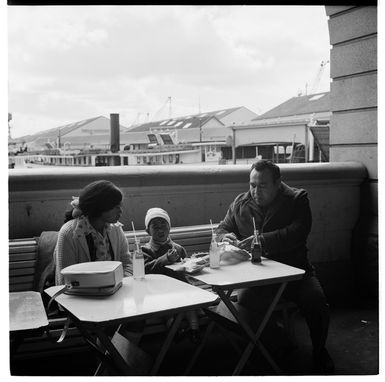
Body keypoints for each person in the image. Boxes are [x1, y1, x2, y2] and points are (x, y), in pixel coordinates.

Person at [215, 159, 334, 374]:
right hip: (257, 277)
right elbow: (222, 229)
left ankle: (319, 350)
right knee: (244, 304)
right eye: (252, 185)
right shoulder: (240, 203)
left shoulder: (297, 199)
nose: (255, 191)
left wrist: (261, 240)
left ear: (278, 183)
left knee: (316, 303)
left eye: (262, 186)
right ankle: (278, 343)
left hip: (297, 274)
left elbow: (298, 231)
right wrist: (226, 237)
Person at [54, 180, 131, 285]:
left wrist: (118, 283)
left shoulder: (116, 229)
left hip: (114, 294)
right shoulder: (69, 233)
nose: (121, 211)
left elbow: (127, 264)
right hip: (82, 297)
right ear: (101, 207)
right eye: (116, 207)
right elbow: (64, 281)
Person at [141, 207, 200, 343]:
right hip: (157, 292)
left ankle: (194, 330)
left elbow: (186, 268)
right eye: (155, 227)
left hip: (180, 289)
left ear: (169, 228)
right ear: (147, 231)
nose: (160, 230)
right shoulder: (145, 250)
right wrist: (165, 259)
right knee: (167, 310)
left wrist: (193, 263)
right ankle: (174, 332)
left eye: (164, 226)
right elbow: (145, 269)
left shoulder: (178, 249)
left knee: (190, 301)